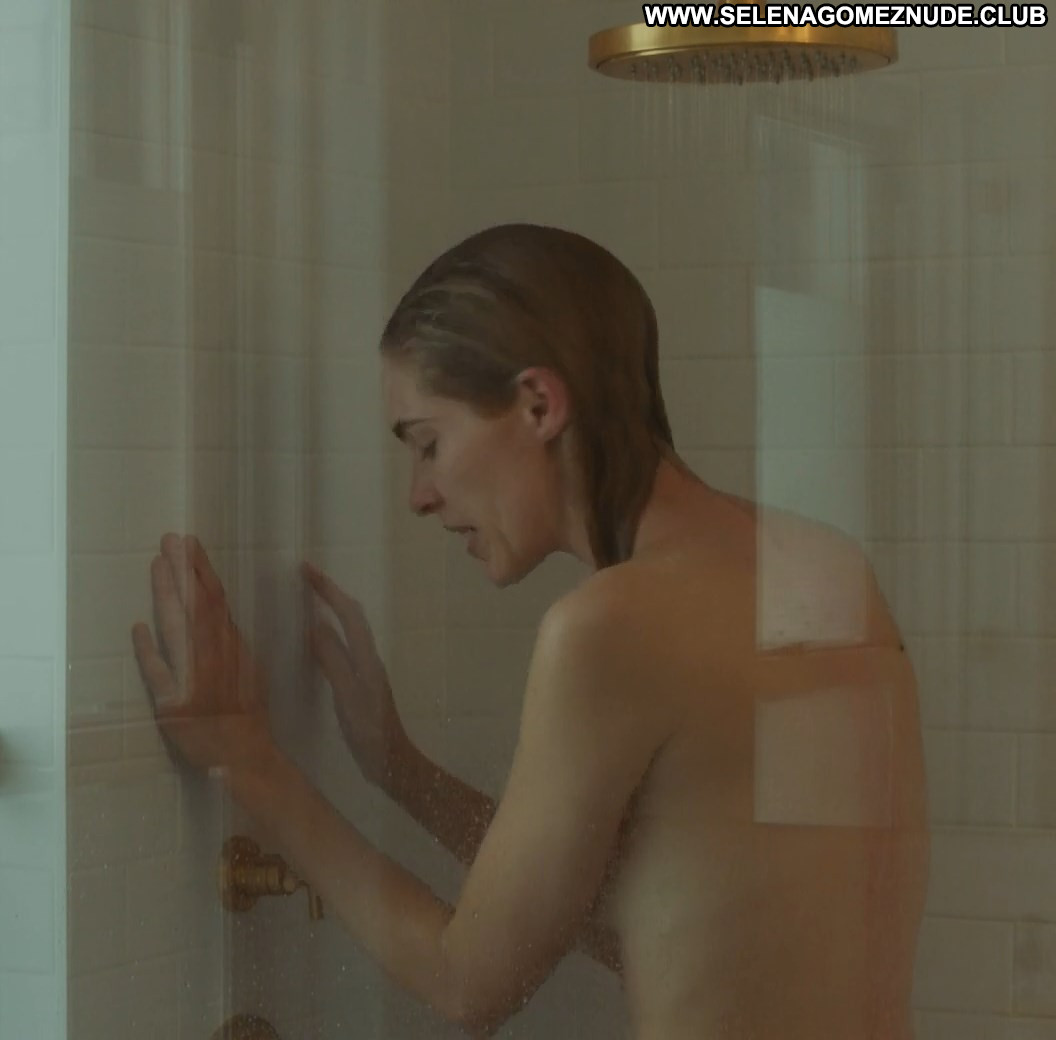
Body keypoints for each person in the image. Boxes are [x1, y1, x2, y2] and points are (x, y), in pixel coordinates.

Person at [130, 224, 930, 1038]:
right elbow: (693, 931)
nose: (419, 495)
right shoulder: (822, 571)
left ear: (539, 405)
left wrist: (247, 759)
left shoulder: (610, 627)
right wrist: (401, 771)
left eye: (428, 443)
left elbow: (467, 984)